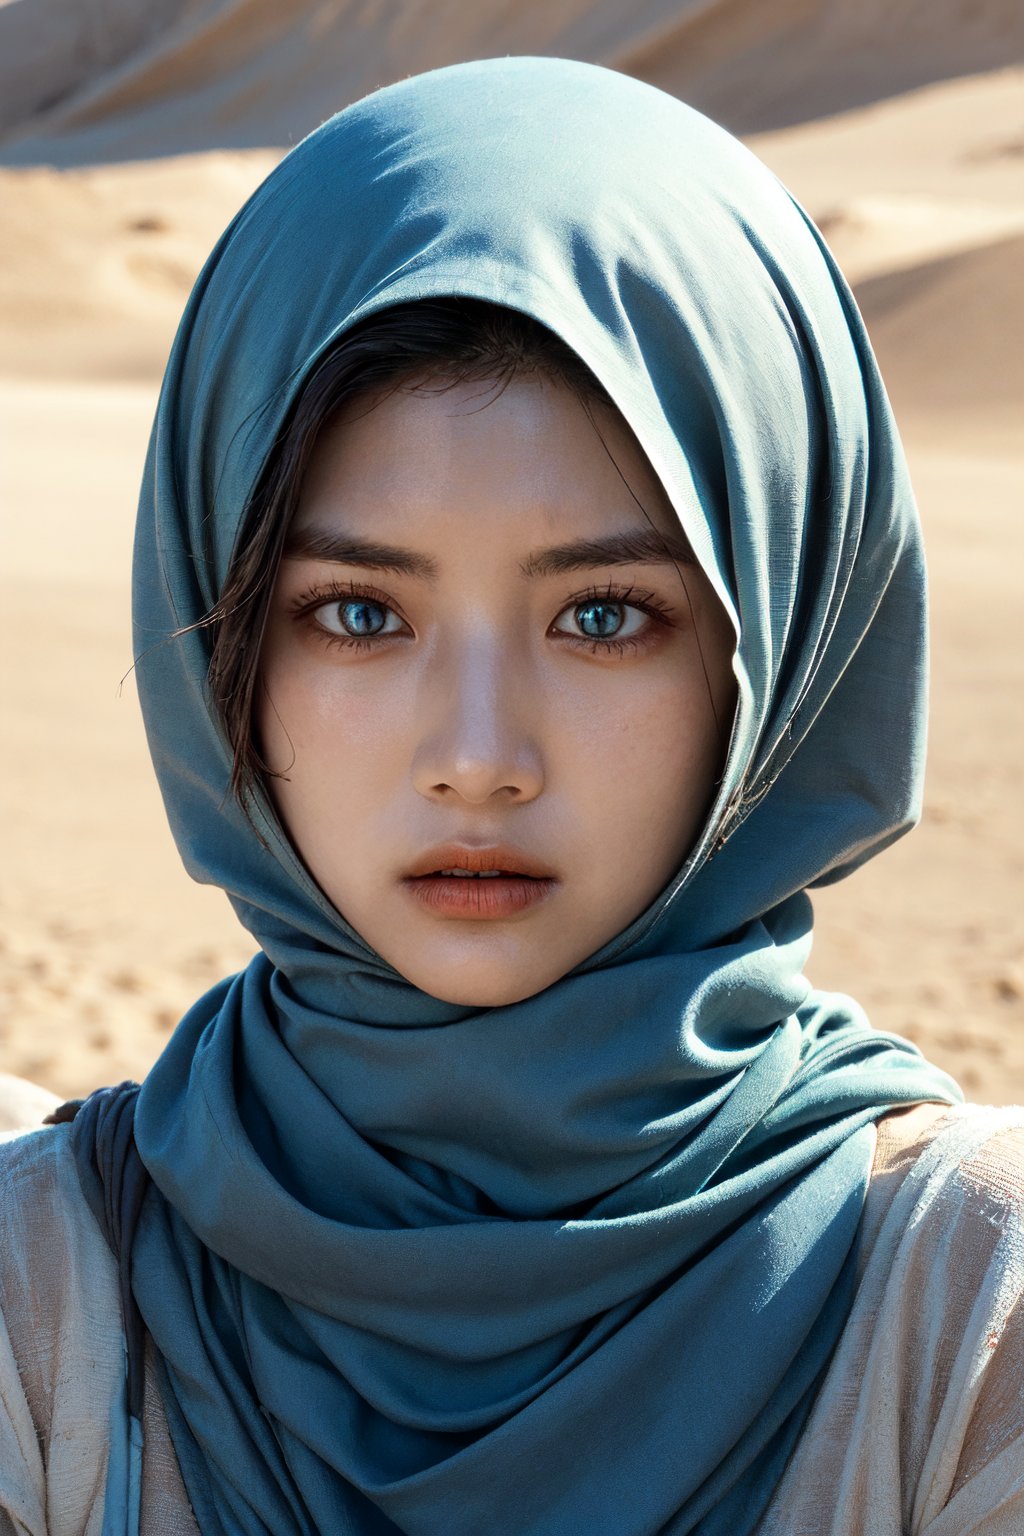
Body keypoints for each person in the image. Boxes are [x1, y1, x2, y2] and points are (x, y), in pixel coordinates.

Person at [1, 55, 1022, 1536]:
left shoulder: (969, 1317)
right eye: (357, 613)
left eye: (605, 616)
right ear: (224, 645)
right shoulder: (42, 1301)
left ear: (780, 652)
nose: (478, 757)